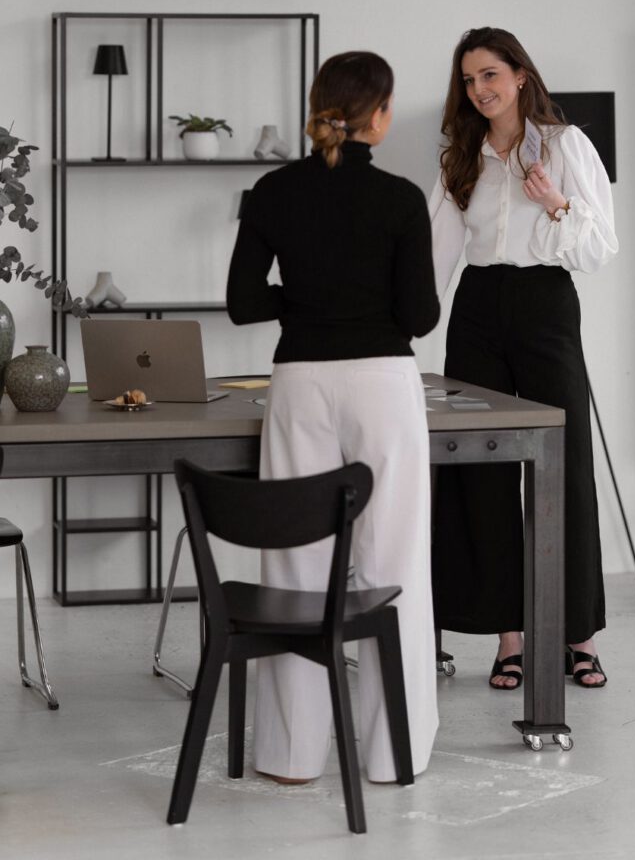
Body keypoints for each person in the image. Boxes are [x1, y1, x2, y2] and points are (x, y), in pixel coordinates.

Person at [226, 50, 440, 783]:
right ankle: (392, 756)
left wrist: (306, 303)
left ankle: (290, 756)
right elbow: (419, 315)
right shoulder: (402, 198)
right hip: (381, 382)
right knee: (394, 562)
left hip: (299, 384)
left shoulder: (270, 191)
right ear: (376, 116)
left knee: (294, 565)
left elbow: (244, 304)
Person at [428, 27, 618, 690]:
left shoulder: (565, 146)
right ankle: (507, 634)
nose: (480, 90)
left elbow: (599, 248)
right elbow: (436, 257)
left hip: (544, 306)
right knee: (479, 469)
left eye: (489, 75)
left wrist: (555, 203)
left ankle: (577, 634)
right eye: (469, 80)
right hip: (477, 309)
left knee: (562, 467)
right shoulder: (462, 157)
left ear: (518, 74)